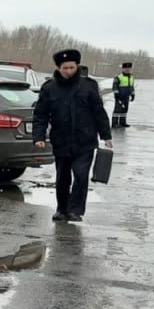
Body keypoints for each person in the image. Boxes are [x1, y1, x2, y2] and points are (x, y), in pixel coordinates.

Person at [33, 48, 112, 223]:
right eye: (65, 68)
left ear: (77, 66)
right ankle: (62, 209)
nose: (69, 71)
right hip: (61, 140)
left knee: (81, 174)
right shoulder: (49, 88)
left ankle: (75, 210)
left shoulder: (88, 86)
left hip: (85, 140)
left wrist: (106, 135)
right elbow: (41, 115)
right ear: (58, 68)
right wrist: (38, 137)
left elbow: (99, 112)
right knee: (62, 176)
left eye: (72, 67)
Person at [112, 61, 136, 128]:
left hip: (126, 97)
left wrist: (133, 94)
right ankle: (114, 123)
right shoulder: (119, 77)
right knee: (117, 110)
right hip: (119, 96)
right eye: (126, 68)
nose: (128, 70)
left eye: (129, 68)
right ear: (122, 69)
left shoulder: (131, 77)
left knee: (124, 110)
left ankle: (122, 122)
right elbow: (115, 86)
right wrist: (116, 95)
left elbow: (132, 86)